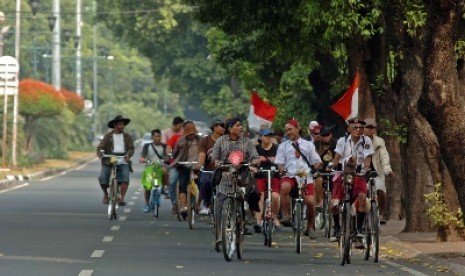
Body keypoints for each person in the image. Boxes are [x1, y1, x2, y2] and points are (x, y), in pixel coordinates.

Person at [211, 117, 261, 237]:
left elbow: (255, 156)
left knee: (254, 193)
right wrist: (217, 163)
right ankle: (218, 228)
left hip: (242, 174)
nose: (241, 127)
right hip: (224, 174)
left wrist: (254, 162)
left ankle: (248, 214)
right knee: (220, 202)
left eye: (241, 125)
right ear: (230, 128)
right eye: (238, 125)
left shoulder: (247, 142)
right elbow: (214, 157)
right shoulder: (220, 141)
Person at [275, 119, 323, 240]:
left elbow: (316, 160)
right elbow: (280, 162)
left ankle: (310, 227)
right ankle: (287, 215)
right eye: (286, 130)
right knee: (284, 187)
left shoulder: (308, 145)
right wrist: (281, 169)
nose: (288, 132)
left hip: (304, 174)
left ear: (298, 129)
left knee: (311, 202)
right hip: (289, 173)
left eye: (290, 129)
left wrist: (318, 165)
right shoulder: (283, 146)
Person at [329, 118, 374, 244]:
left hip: (358, 174)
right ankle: (337, 228)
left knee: (362, 198)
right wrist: (332, 166)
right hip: (343, 174)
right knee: (333, 203)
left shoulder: (367, 141)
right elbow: (337, 158)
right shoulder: (342, 141)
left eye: (361, 128)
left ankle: (359, 229)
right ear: (349, 128)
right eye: (355, 127)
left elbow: (368, 158)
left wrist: (366, 167)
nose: (358, 130)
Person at [96, 115, 135, 206]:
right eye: (120, 124)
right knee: (103, 178)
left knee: (125, 178)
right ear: (115, 125)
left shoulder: (127, 137)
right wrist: (101, 153)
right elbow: (100, 147)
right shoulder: (108, 136)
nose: (122, 126)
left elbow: (131, 148)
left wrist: (128, 155)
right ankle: (106, 194)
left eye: (123, 124)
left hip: (123, 158)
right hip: (110, 158)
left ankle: (121, 198)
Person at [364, 118, 393, 224]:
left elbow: (384, 156)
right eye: (368, 127)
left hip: (376, 172)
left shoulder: (379, 142)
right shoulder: (358, 140)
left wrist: (387, 170)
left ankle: (380, 214)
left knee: (381, 191)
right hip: (362, 173)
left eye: (372, 128)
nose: (370, 130)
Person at [253, 128, 281, 232]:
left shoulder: (276, 148)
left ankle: (274, 217)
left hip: (274, 176)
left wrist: (272, 160)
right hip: (260, 176)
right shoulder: (255, 149)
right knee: (260, 196)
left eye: (270, 136)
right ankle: (258, 221)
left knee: (275, 196)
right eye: (265, 136)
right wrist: (256, 163)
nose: (268, 138)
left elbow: (281, 161)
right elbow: (251, 162)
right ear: (260, 137)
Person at [171, 121, 201, 219]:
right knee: (182, 185)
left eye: (193, 133)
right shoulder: (181, 140)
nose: (191, 135)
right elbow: (175, 153)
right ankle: (183, 207)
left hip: (197, 166)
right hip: (184, 165)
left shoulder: (200, 140)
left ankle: (199, 204)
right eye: (189, 133)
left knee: (202, 183)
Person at [197, 117, 225, 215]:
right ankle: (207, 204)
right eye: (221, 126)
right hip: (208, 169)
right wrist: (199, 165)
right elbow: (201, 155)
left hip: (224, 169)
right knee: (204, 182)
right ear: (214, 127)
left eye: (224, 126)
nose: (223, 128)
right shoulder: (205, 140)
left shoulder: (228, 140)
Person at [139, 129, 169, 213]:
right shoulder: (147, 146)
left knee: (166, 172)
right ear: (152, 137)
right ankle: (147, 204)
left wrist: (166, 159)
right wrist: (142, 159)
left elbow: (167, 157)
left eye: (159, 136)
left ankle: (164, 188)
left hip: (160, 166)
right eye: (156, 136)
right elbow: (142, 156)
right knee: (147, 186)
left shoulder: (164, 146)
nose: (158, 138)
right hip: (150, 167)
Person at [313, 126, 337, 208]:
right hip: (320, 170)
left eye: (327, 135)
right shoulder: (315, 145)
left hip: (333, 170)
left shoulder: (336, 144)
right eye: (324, 136)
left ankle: (336, 202)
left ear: (331, 135)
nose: (326, 138)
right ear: (320, 136)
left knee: (338, 181)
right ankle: (320, 202)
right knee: (318, 180)